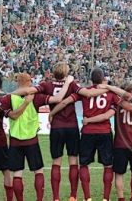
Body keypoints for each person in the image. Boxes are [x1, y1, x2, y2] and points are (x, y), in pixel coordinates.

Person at [12, 63, 107, 201]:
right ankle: (73, 195)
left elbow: (28, 91)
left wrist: (11, 94)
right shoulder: (72, 84)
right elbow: (88, 93)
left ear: (53, 72)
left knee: (56, 162)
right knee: (73, 161)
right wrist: (109, 88)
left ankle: (56, 197)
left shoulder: (46, 85)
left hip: (56, 127)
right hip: (72, 126)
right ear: (66, 73)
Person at [0, 73, 74, 201]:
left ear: (17, 82)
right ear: (29, 82)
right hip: (31, 140)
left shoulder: (9, 98)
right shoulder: (36, 97)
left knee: (17, 173)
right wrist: (67, 83)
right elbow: (57, 99)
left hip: (15, 141)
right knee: (38, 171)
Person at [50, 68, 122, 201]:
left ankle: (87, 198)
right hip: (105, 132)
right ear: (102, 79)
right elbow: (122, 103)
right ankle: (106, 198)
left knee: (83, 165)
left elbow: (66, 102)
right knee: (108, 165)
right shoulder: (110, 92)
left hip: (88, 132)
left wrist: (52, 112)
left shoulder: (85, 92)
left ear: (90, 79)